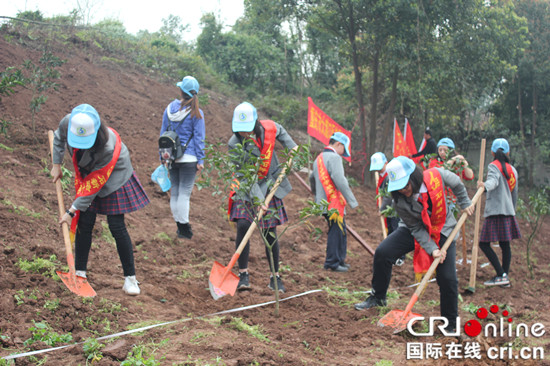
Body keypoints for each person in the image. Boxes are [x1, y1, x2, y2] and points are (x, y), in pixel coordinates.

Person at [355, 156, 474, 333]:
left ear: (414, 177)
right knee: (382, 252)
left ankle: (450, 322)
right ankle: (378, 297)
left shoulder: (437, 175)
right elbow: (415, 227)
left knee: (447, 277)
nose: (404, 190)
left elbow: (456, 183)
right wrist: (432, 249)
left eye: (406, 185)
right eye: (399, 187)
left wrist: (465, 203)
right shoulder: (399, 201)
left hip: (442, 229)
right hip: (415, 229)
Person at [52, 104, 150, 296]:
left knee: (116, 225)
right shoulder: (68, 122)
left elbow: (94, 186)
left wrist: (70, 212)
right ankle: (79, 273)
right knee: (85, 222)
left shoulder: (107, 147)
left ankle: (130, 278)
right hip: (89, 173)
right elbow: (58, 138)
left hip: (113, 176)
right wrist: (56, 164)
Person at [228, 102, 298, 293]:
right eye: (240, 130)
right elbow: (244, 176)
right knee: (243, 225)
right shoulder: (234, 144)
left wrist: (291, 146)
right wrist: (258, 200)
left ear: (255, 124)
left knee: (270, 231)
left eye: (247, 129)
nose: (244, 133)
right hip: (246, 187)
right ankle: (243, 275)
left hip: (269, 184)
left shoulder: (268, 129)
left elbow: (281, 131)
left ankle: (275, 277)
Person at [160, 75, 205, 239]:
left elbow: (163, 132)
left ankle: (180, 226)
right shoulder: (197, 113)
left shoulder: (169, 109)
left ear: (180, 90)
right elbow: (199, 138)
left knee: (176, 192)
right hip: (189, 158)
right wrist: (201, 160)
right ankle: (184, 228)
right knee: (184, 194)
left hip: (171, 157)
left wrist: (163, 156)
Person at [310, 132, 358, 272]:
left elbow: (312, 178)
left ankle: (339, 260)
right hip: (333, 203)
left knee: (340, 230)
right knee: (336, 232)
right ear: (338, 144)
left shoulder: (318, 158)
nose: (343, 153)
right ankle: (332, 263)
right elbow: (340, 180)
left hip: (323, 202)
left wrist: (317, 196)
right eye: (344, 149)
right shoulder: (334, 158)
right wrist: (352, 201)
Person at [477, 138, 521, 287]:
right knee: (505, 245)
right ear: (508, 152)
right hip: (508, 211)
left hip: (496, 211)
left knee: (483, 244)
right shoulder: (513, 170)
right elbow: (514, 193)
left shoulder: (493, 166)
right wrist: (512, 210)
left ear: (492, 152)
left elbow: (493, 181)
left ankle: (501, 274)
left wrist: (484, 186)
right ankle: (504, 278)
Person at [370, 152, 404, 266]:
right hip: (389, 211)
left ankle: (400, 256)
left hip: (394, 209)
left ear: (386, 163)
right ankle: (392, 254)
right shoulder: (380, 177)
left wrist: (382, 209)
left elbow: (388, 196)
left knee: (396, 231)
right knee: (390, 231)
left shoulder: (390, 175)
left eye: (380, 168)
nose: (378, 171)